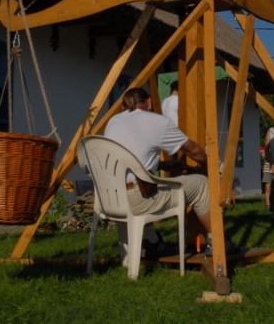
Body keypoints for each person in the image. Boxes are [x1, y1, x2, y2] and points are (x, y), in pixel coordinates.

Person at [103, 87, 241, 255]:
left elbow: (129, 160)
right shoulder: (156, 121)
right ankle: (219, 242)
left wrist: (162, 165)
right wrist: (210, 165)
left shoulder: (113, 121)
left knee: (149, 183)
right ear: (149, 103)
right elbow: (193, 151)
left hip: (110, 198)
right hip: (138, 199)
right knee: (201, 184)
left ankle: (151, 242)